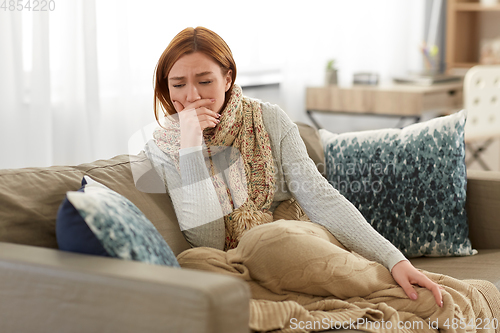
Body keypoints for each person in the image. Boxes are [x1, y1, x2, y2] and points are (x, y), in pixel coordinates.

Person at [144, 26, 443, 308]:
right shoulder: (164, 147)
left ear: (228, 78)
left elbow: (320, 198)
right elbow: (208, 241)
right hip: (235, 264)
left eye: (205, 81)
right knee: (198, 262)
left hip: (297, 241)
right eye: (178, 84)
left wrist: (394, 260)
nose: (191, 96)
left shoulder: (269, 119)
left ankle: (388, 286)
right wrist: (191, 147)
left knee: (270, 240)